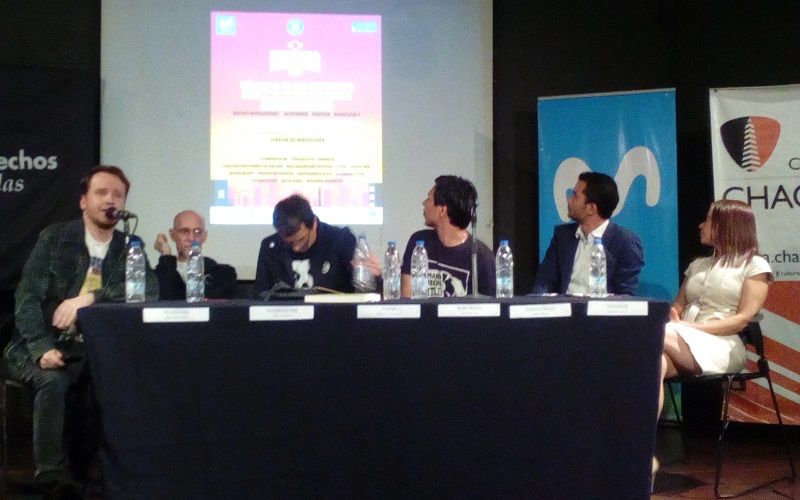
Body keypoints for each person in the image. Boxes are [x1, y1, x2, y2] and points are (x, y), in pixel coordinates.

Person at [3, 165, 158, 498]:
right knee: (53, 380)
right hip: (38, 342)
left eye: (117, 194)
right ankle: (51, 476)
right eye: (101, 192)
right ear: (83, 201)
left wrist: (89, 298)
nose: (110, 200)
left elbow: (150, 290)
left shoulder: (130, 245)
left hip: (92, 348)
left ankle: (107, 473)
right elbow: (27, 297)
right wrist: (40, 347)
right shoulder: (55, 238)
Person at [657, 199, 771, 429]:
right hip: (684, 338)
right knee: (652, 365)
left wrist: (691, 328)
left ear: (726, 225)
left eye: (708, 220)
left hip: (724, 345)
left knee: (653, 334)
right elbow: (678, 305)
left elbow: (741, 321)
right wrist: (674, 314)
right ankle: (640, 444)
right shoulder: (698, 265)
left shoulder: (755, 266)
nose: (701, 225)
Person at [532, 171, 644, 295]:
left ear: (591, 208)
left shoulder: (625, 242)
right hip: (564, 306)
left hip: (601, 307)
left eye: (575, 196)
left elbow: (625, 295)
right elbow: (544, 280)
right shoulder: (562, 236)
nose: (569, 201)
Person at [401, 175, 495, 297]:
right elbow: (407, 298)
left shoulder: (482, 257)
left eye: (428, 199)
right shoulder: (419, 242)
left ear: (442, 210)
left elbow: (491, 305)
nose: (424, 203)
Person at [254, 194, 356, 297]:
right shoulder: (270, 247)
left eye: (302, 239)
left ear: (314, 223)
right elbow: (261, 295)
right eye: (289, 243)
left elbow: (356, 291)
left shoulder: (341, 240)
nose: (296, 248)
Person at [154, 210, 237, 300]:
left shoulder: (223, 273)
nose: (191, 238)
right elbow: (168, 301)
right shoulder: (160, 273)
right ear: (172, 235)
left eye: (197, 232)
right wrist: (166, 255)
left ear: (205, 236)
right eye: (185, 231)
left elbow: (196, 301)